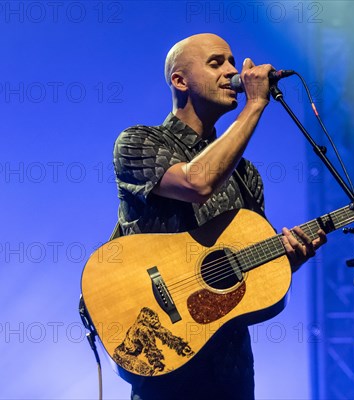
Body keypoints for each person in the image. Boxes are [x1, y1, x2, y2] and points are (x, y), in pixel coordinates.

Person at [113, 33, 327, 399]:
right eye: (217, 63)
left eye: (232, 61)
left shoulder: (246, 175)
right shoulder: (138, 142)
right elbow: (197, 183)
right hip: (162, 350)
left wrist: (289, 260)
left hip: (231, 367)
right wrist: (254, 106)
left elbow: (249, 274)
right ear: (180, 81)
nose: (232, 71)